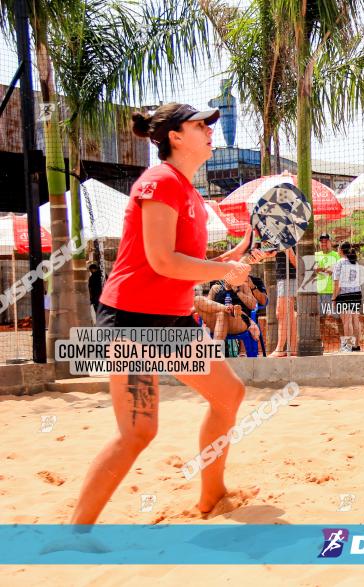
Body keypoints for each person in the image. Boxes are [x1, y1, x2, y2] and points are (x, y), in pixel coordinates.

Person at [71, 103, 264, 523]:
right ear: (175, 135)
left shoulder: (189, 191)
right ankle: (75, 531)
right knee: (138, 432)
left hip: (172, 320)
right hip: (133, 320)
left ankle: (212, 494)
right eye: (200, 125)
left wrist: (228, 258)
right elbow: (161, 261)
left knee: (228, 394)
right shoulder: (159, 181)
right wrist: (224, 271)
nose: (209, 132)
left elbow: (179, 265)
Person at [193, 280, 260, 349]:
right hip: (216, 322)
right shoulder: (215, 288)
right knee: (197, 299)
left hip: (238, 321)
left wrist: (237, 291)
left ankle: (215, 353)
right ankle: (226, 308)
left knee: (222, 313)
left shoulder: (243, 286)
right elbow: (206, 306)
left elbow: (253, 306)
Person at [332, 241, 364, 352]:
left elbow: (337, 284)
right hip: (356, 293)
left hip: (344, 294)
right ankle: (357, 346)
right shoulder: (354, 262)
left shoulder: (340, 263)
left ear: (341, 250)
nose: (337, 250)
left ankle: (348, 347)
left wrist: (334, 298)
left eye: (338, 248)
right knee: (355, 320)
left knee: (347, 321)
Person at [270, 249, 297, 357]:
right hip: (286, 276)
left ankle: (280, 349)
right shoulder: (285, 236)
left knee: (281, 312)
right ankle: (292, 348)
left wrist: (302, 270)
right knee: (289, 312)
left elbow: (292, 256)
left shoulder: (285, 236)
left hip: (287, 276)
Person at [315, 233, 341, 319]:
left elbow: (336, 270)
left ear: (331, 242)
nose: (323, 244)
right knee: (320, 317)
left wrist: (322, 269)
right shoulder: (316, 255)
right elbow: (314, 269)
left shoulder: (336, 255)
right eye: (321, 242)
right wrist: (324, 269)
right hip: (319, 292)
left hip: (332, 292)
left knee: (335, 317)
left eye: (326, 241)